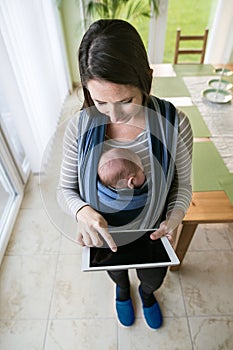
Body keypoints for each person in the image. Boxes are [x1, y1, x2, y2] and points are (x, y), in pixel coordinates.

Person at [57, 19, 193, 329]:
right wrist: (82, 213)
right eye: (100, 101)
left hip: (152, 234)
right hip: (107, 236)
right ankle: (121, 289)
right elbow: (65, 189)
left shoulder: (175, 124)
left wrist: (175, 216)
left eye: (126, 101)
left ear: (147, 80)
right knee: (116, 272)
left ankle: (146, 294)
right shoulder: (80, 127)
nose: (114, 115)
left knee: (153, 278)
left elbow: (182, 185)